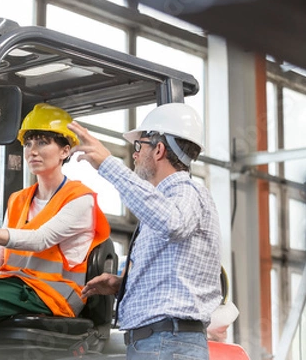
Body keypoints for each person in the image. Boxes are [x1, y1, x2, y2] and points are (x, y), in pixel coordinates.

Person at [0, 103, 111, 337]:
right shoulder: (19, 199)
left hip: (54, 295)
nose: (32, 151)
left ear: (65, 151)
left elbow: (40, 239)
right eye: (28, 143)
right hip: (17, 287)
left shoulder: (80, 199)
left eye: (42, 142)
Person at [67, 102, 221, 360]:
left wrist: (108, 165)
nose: (134, 154)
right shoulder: (165, 203)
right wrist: (121, 286)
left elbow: (173, 223)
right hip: (161, 342)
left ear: (159, 149)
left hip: (167, 343)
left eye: (138, 146)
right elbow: (171, 278)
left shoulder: (186, 192)